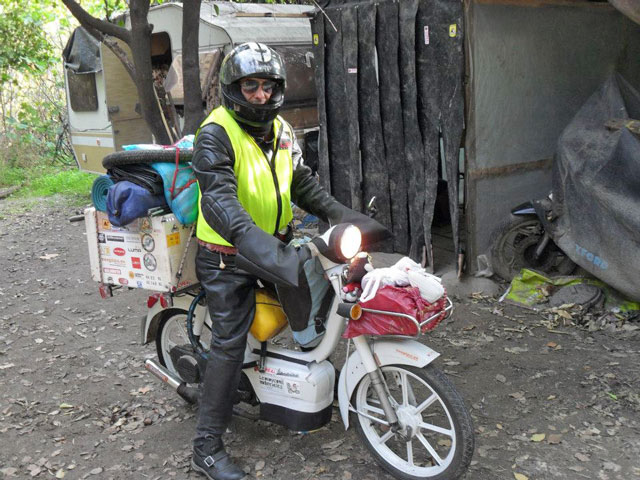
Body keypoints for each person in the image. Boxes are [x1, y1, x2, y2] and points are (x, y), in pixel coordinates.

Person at [190, 42, 387, 480]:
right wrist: (256, 245)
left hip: (274, 245)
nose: (260, 95)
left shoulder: (280, 130)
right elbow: (220, 203)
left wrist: (345, 217)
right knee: (229, 343)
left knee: (320, 290)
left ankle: (298, 384)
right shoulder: (215, 133)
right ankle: (205, 448)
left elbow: (303, 185)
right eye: (251, 85)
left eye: (268, 86)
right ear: (233, 88)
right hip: (226, 255)